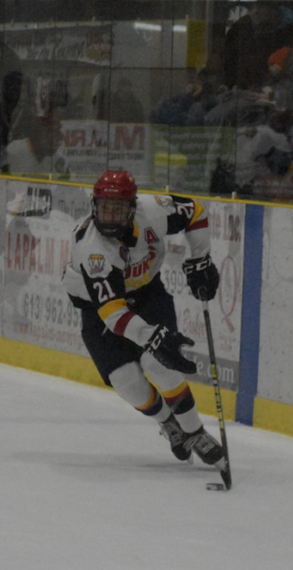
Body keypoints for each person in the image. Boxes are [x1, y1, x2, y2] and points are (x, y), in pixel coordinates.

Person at [62, 170, 225, 467]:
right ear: (94, 205)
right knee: (126, 381)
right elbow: (112, 313)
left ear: (133, 207)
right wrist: (152, 336)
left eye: (119, 209)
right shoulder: (91, 248)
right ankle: (168, 423)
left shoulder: (153, 210)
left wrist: (200, 257)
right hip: (98, 310)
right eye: (104, 208)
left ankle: (195, 432)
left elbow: (195, 212)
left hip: (149, 294)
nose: (110, 216)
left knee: (161, 366)